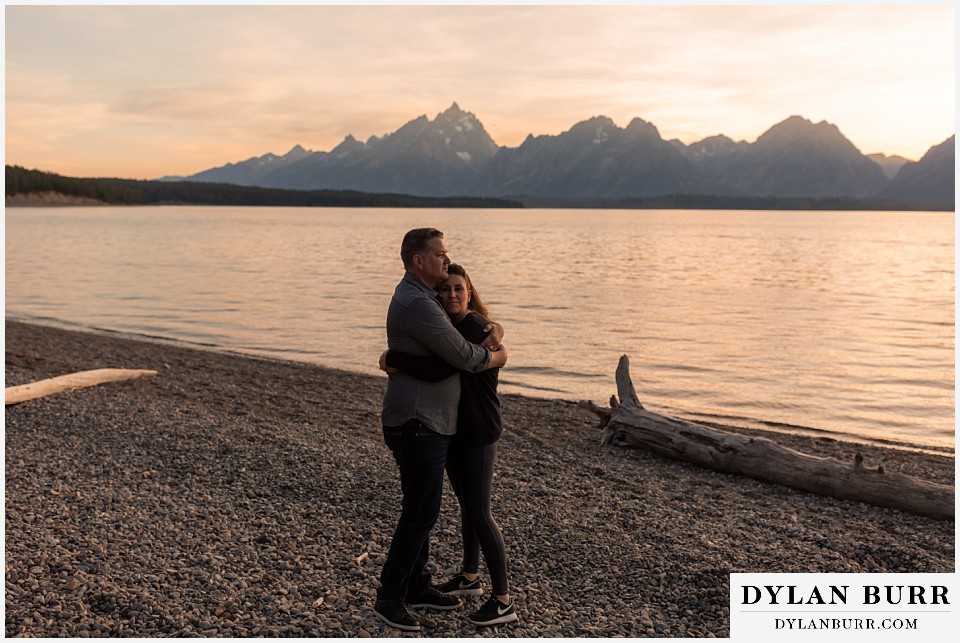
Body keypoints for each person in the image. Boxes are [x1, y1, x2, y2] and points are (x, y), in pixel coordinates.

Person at [374, 228, 507, 633]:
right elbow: (462, 356)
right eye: (440, 255)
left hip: (429, 422)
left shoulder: (427, 297)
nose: (446, 261)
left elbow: (462, 333)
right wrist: (497, 354)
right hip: (418, 422)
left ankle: (417, 586)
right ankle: (390, 598)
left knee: (422, 510)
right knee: (420, 513)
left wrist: (493, 329)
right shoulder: (418, 302)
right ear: (419, 260)